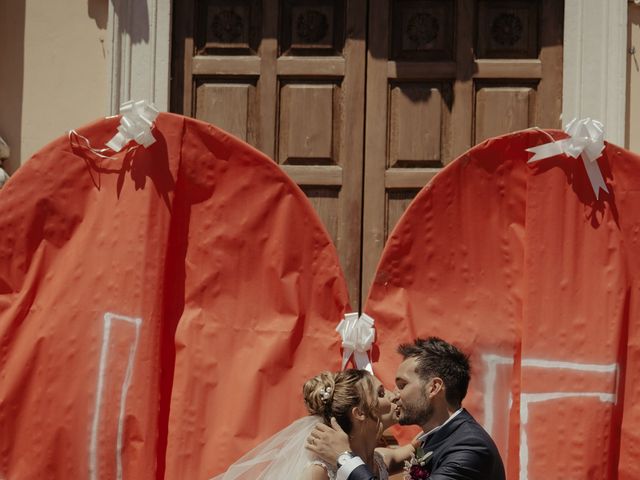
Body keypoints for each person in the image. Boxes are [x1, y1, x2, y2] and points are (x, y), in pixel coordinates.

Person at [306, 337, 506, 480]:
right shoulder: (431, 439)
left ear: (434, 388)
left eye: (402, 385)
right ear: (359, 413)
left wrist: (345, 458)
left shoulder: (469, 448)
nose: (396, 395)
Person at [212, 369, 411, 479]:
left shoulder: (380, 460)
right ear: (359, 413)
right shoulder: (319, 473)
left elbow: (431, 441)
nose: (393, 397)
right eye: (381, 393)